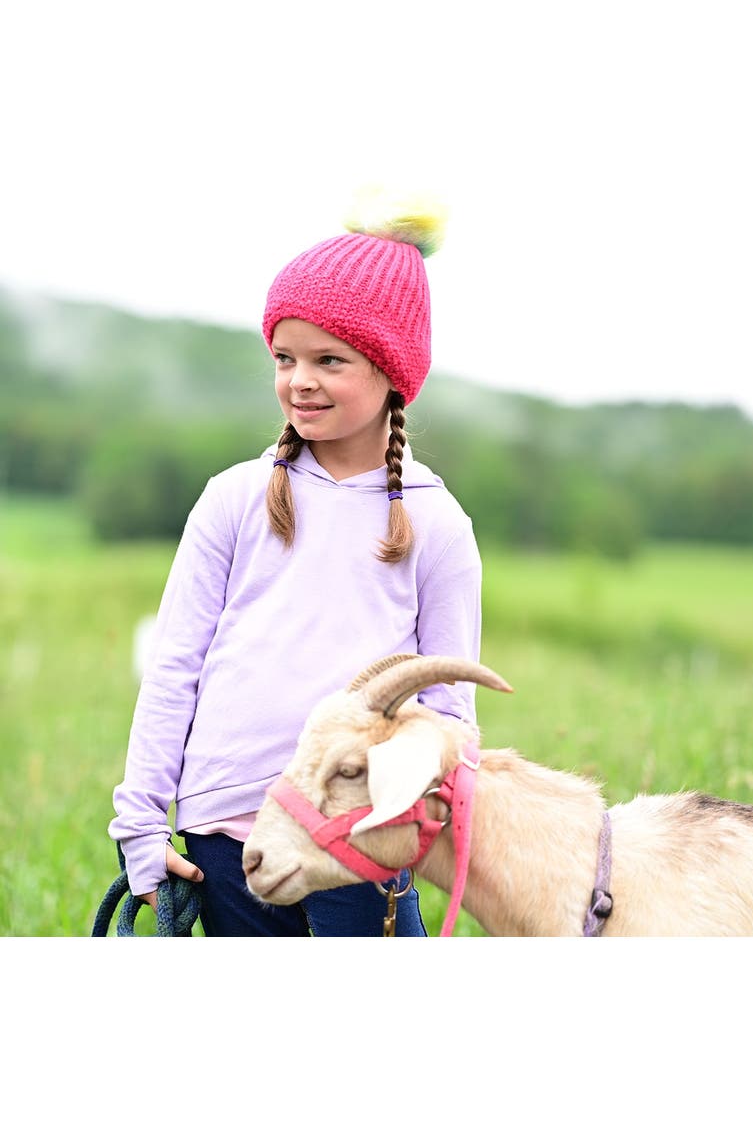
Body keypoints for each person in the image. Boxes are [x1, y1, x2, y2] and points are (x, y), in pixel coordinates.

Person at [108, 190, 483, 936]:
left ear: (390, 373)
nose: (299, 380)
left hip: (355, 846)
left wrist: (402, 819)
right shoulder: (234, 499)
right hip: (223, 840)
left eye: (329, 360)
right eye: (285, 358)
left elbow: (448, 717)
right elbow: (175, 667)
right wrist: (143, 826)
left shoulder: (437, 525)